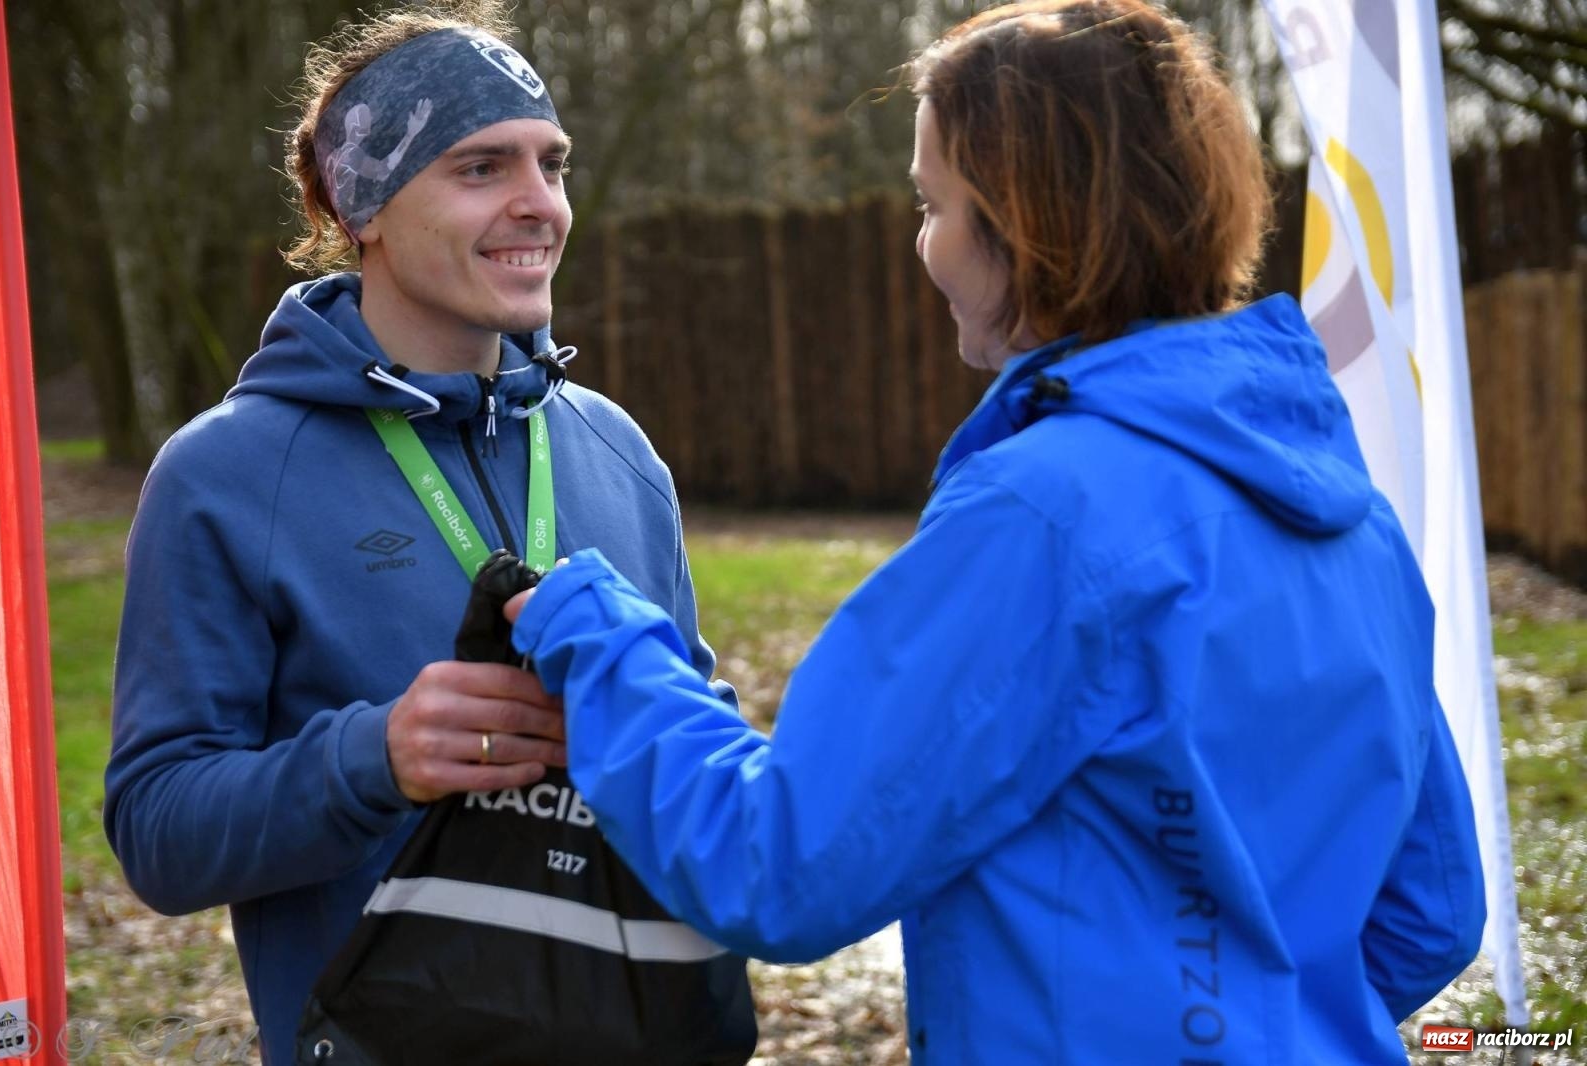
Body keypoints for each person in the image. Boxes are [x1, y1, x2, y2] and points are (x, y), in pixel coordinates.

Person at [502, 1, 1487, 1062]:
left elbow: (778, 863)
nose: (923, 246)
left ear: (1026, 223)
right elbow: (1431, 908)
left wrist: (594, 633)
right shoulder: (1347, 511)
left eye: (934, 205)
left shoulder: (1047, 517)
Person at [103, 3, 734, 1063]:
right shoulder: (225, 475)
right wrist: (374, 757)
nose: (542, 206)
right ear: (367, 208)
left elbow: (701, 742)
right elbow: (160, 832)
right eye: (482, 168)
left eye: (554, 164)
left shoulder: (616, 448)